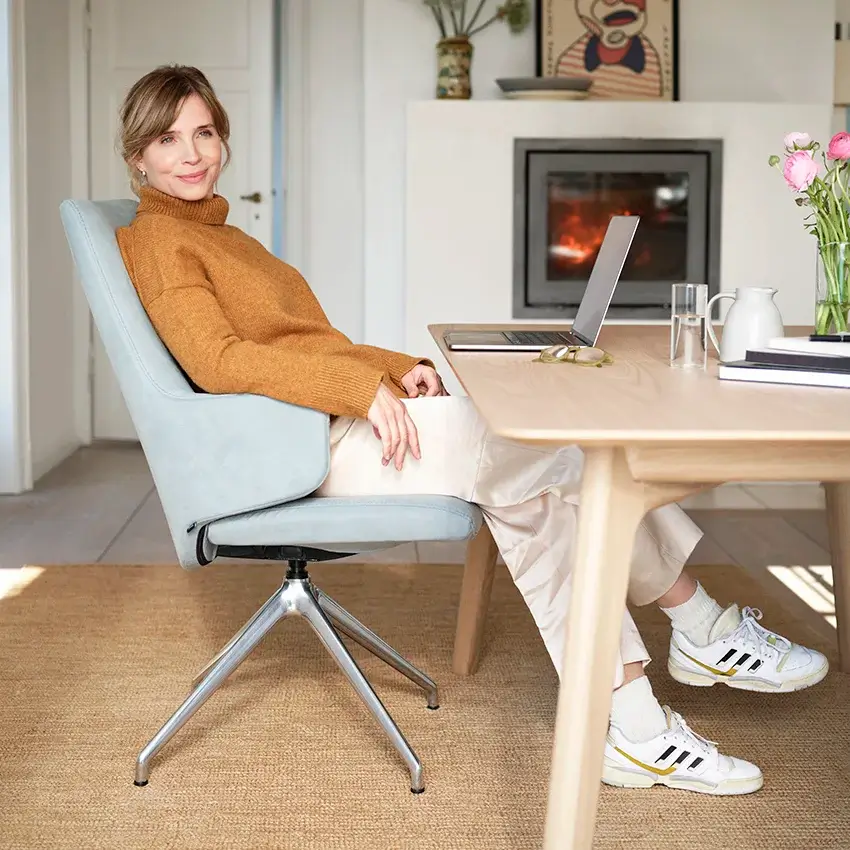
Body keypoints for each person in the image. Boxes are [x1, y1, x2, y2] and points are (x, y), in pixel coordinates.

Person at [114, 65, 828, 797]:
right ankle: (695, 637)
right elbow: (221, 361)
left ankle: (642, 718)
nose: (191, 153)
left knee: (544, 490)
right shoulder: (163, 243)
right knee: (550, 452)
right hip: (296, 449)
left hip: (319, 422)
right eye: (168, 139)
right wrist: (360, 388)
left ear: (224, 140)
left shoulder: (223, 236)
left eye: (203, 132)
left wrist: (396, 368)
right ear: (138, 155)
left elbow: (304, 342)